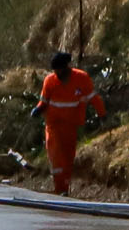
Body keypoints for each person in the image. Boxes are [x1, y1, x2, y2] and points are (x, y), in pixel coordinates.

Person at [32, 49, 105, 196]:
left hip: (71, 124)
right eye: (55, 71)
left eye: (59, 70)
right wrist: (38, 109)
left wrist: (102, 114)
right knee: (55, 155)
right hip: (53, 124)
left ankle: (64, 188)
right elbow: (44, 102)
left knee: (67, 157)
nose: (57, 74)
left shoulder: (81, 78)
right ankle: (59, 187)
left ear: (67, 67)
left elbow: (94, 98)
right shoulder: (50, 81)